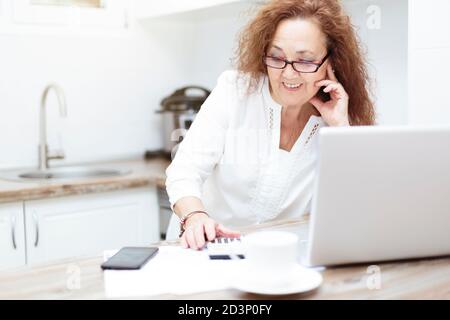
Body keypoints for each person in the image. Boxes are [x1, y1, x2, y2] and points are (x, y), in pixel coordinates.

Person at [165, 0, 376, 249]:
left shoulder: (335, 123)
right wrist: (195, 217)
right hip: (205, 249)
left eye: (305, 61)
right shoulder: (235, 90)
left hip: (281, 260)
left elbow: (354, 210)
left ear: (332, 63)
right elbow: (184, 171)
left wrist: (341, 128)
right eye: (276, 57)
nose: (287, 74)